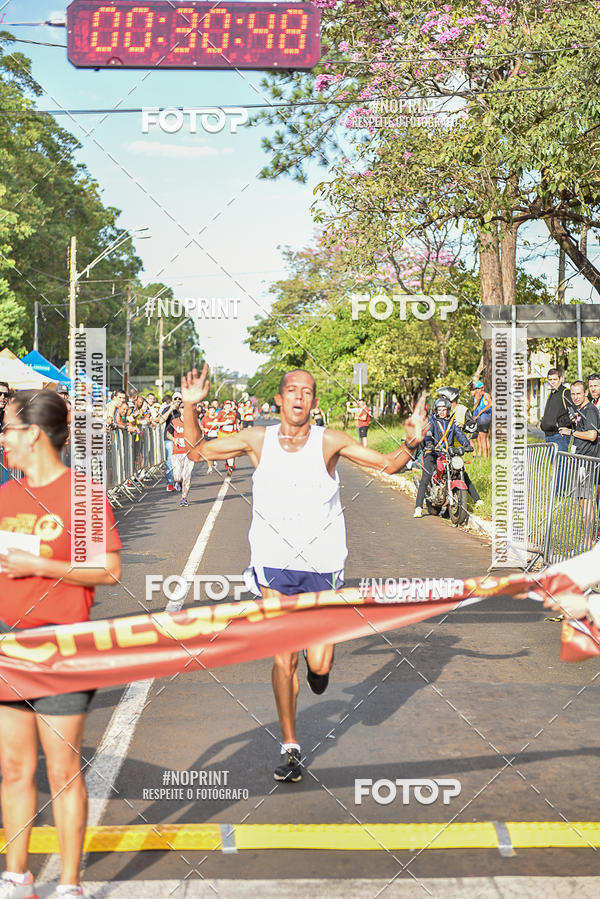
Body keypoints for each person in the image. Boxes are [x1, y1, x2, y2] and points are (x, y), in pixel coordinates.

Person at [181, 365, 428, 783]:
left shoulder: (328, 441)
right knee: (283, 656)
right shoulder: (258, 441)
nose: (299, 397)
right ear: (279, 399)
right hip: (273, 564)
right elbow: (196, 450)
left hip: (322, 564)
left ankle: (320, 671)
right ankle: (290, 745)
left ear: (314, 402)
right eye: (292, 390)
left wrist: (410, 442)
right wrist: (189, 407)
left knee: (318, 662)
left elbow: (387, 465)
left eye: (308, 391)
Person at [0, 389, 122, 899]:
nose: (2, 438)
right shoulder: (5, 496)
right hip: (10, 645)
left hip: (64, 645)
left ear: (33, 434)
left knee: (63, 767)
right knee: (12, 767)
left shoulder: (86, 495)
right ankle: (17, 876)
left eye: (7, 428)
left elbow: (109, 571)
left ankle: (69, 884)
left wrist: (40, 567)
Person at [414, 395, 472, 518]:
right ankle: (418, 507)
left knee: (457, 471)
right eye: (439, 409)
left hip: (447, 454)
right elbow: (428, 434)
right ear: (436, 410)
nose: (442, 412)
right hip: (433, 452)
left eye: (444, 409)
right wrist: (429, 443)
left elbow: (460, 435)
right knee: (426, 476)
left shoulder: (452, 422)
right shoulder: (432, 421)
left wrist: (467, 445)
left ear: (448, 410)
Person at [558, 381, 600, 547]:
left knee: (586, 504)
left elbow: (591, 435)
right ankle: (589, 540)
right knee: (583, 504)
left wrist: (572, 432)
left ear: (586, 394)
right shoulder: (581, 410)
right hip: (580, 461)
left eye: (578, 394)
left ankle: (587, 542)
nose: (575, 397)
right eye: (573, 394)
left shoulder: (589, 409)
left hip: (587, 462)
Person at [437, 387, 482, 508]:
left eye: (443, 398)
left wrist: (463, 426)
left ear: (450, 398)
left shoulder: (462, 410)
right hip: (440, 448)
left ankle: (477, 500)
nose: (440, 400)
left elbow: (473, 428)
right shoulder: (439, 409)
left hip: (456, 450)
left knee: (461, 472)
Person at [166, 408, 194, 507]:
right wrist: (174, 439)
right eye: (183, 408)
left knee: (187, 476)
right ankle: (178, 482)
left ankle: (184, 498)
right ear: (180, 410)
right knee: (177, 477)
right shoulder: (174, 421)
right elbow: (168, 433)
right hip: (177, 452)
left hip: (189, 453)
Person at [540, 368, 572, 453]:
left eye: (555, 379)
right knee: (554, 465)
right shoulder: (551, 394)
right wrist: (542, 423)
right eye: (550, 379)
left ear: (561, 379)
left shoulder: (566, 393)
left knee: (561, 465)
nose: (552, 382)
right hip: (548, 436)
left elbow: (573, 413)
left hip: (559, 436)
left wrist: (559, 424)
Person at [470, 381, 492, 458]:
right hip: (480, 418)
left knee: (483, 438)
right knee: (485, 438)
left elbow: (491, 404)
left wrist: (481, 412)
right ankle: (488, 457)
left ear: (482, 388)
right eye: (476, 388)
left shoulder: (486, 395)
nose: (477, 390)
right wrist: (478, 399)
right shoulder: (477, 397)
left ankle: (485, 458)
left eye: (479, 388)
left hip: (484, 418)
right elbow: (474, 408)